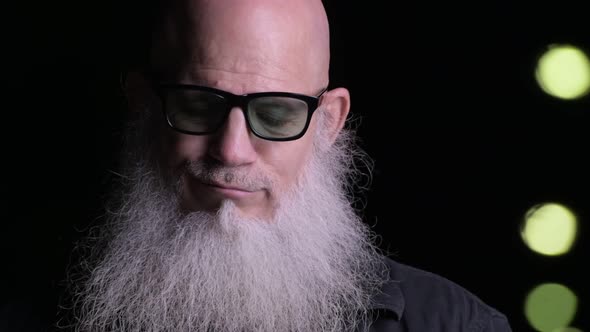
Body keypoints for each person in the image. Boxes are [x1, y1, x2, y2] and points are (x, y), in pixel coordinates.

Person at [58, 0, 513, 331]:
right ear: (143, 106)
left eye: (276, 114)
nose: (232, 151)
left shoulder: (456, 324)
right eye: (198, 106)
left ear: (328, 122)